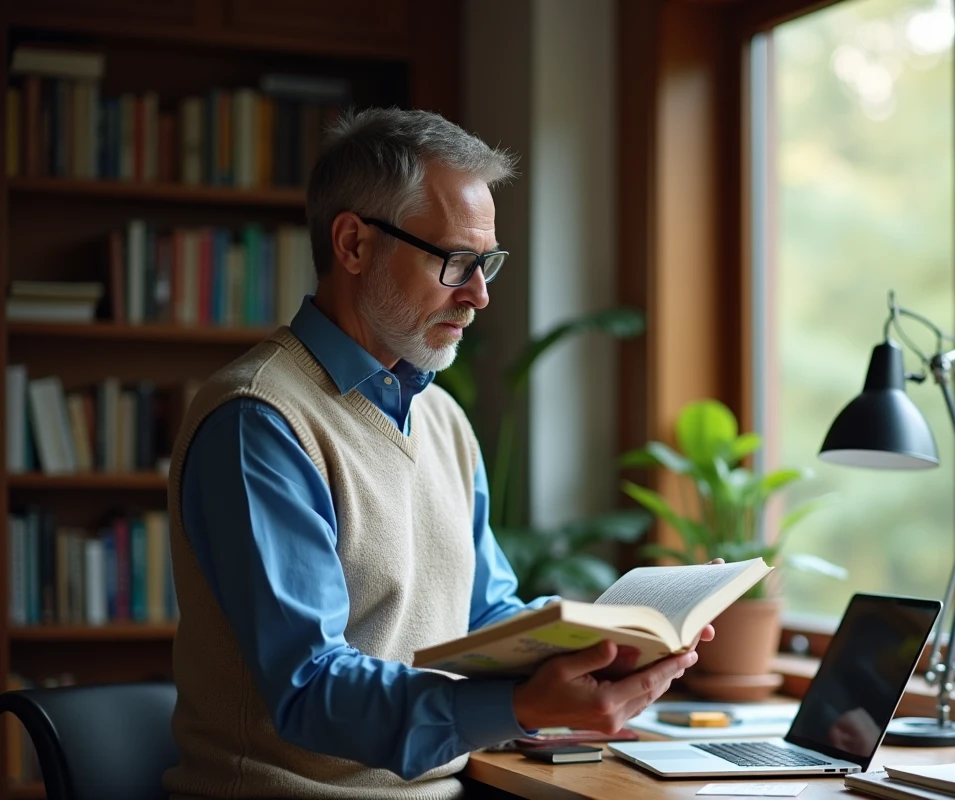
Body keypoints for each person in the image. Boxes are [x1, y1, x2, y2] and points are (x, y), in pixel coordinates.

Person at [162, 107, 712, 800]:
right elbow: (308, 687)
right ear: (354, 244)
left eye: (487, 264)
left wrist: (607, 649)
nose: (479, 295)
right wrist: (519, 708)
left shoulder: (442, 416)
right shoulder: (259, 420)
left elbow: (484, 617)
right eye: (456, 261)